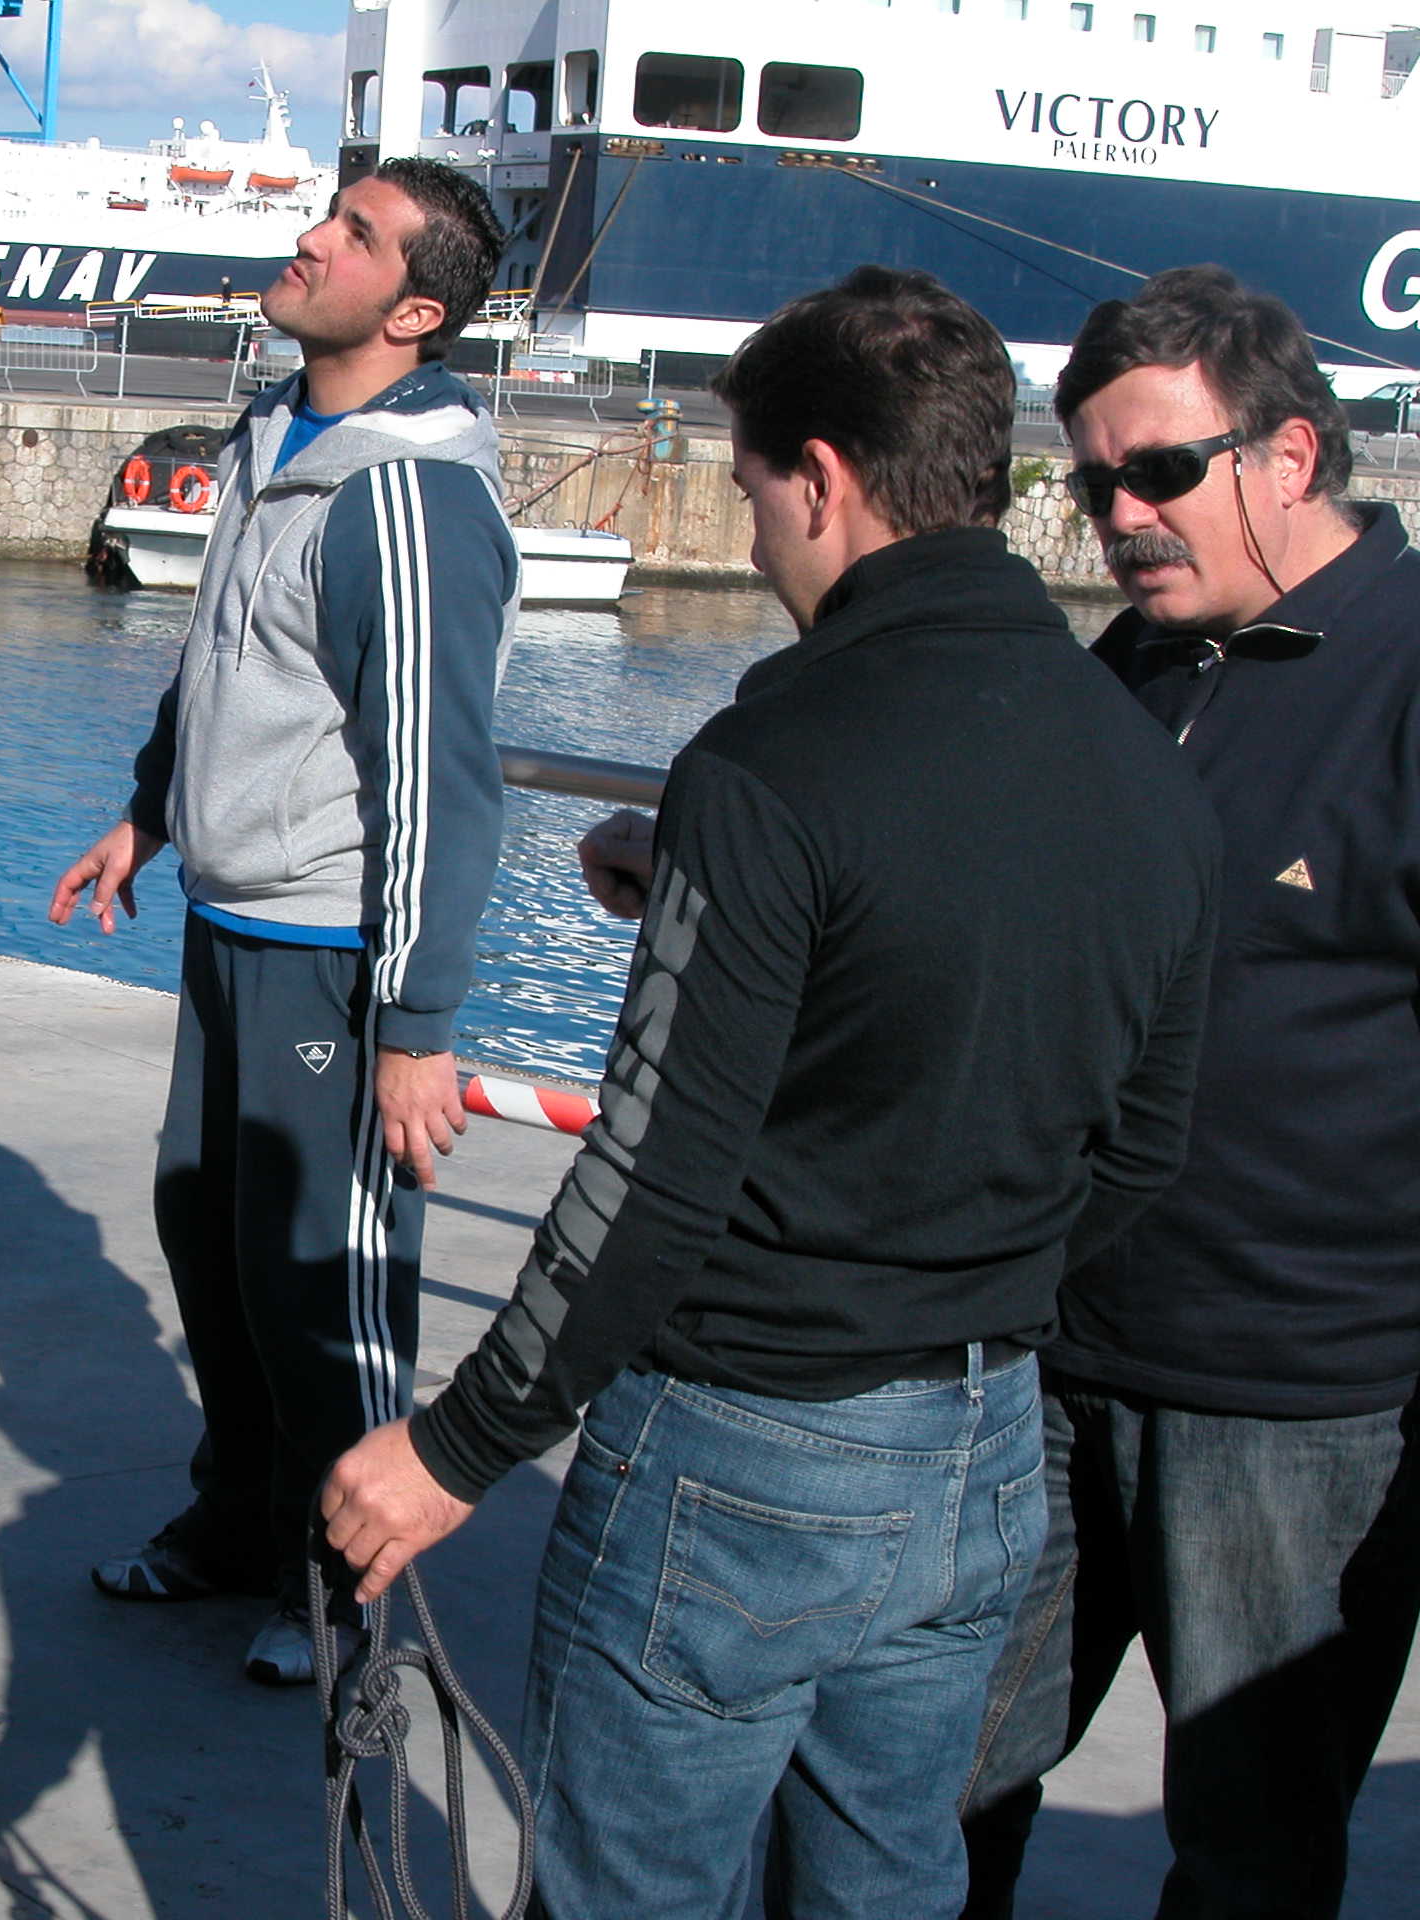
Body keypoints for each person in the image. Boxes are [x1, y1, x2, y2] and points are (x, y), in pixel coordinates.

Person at [320, 265, 1221, 1915]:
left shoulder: (772, 766)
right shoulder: (1137, 759)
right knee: (886, 1883)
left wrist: (457, 1446)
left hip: (741, 1450)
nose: (749, 545)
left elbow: (648, 1182)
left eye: (749, 497)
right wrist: (955, 1282)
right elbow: (1141, 1140)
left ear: (822, 478)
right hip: (983, 1445)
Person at [958, 267, 1420, 1920]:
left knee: (1248, 1855)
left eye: (1158, 472)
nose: (1120, 519)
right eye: (1092, 485)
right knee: (929, 1786)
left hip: (1293, 1406)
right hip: (1048, 1349)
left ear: (1289, 455)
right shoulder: (1143, 663)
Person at [48, 157, 518, 1686]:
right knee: (212, 1238)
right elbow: (218, 657)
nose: (312, 238)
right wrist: (151, 808)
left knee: (326, 1279)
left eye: (355, 235)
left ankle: (350, 1586)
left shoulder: (411, 497)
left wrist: (416, 1025)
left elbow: (440, 781)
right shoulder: (276, 432)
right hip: (227, 919)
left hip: (334, 952)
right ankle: (244, 1524)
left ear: (417, 310)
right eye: (330, 212)